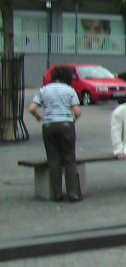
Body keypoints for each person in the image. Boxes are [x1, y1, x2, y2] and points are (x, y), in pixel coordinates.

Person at [28, 65, 82, 202]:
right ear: (67, 78)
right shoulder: (70, 90)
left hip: (49, 126)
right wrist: (71, 121)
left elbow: (32, 108)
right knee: (69, 159)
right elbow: (77, 112)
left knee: (54, 159)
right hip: (66, 125)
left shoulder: (43, 90)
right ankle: (73, 193)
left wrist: (38, 117)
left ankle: (57, 193)